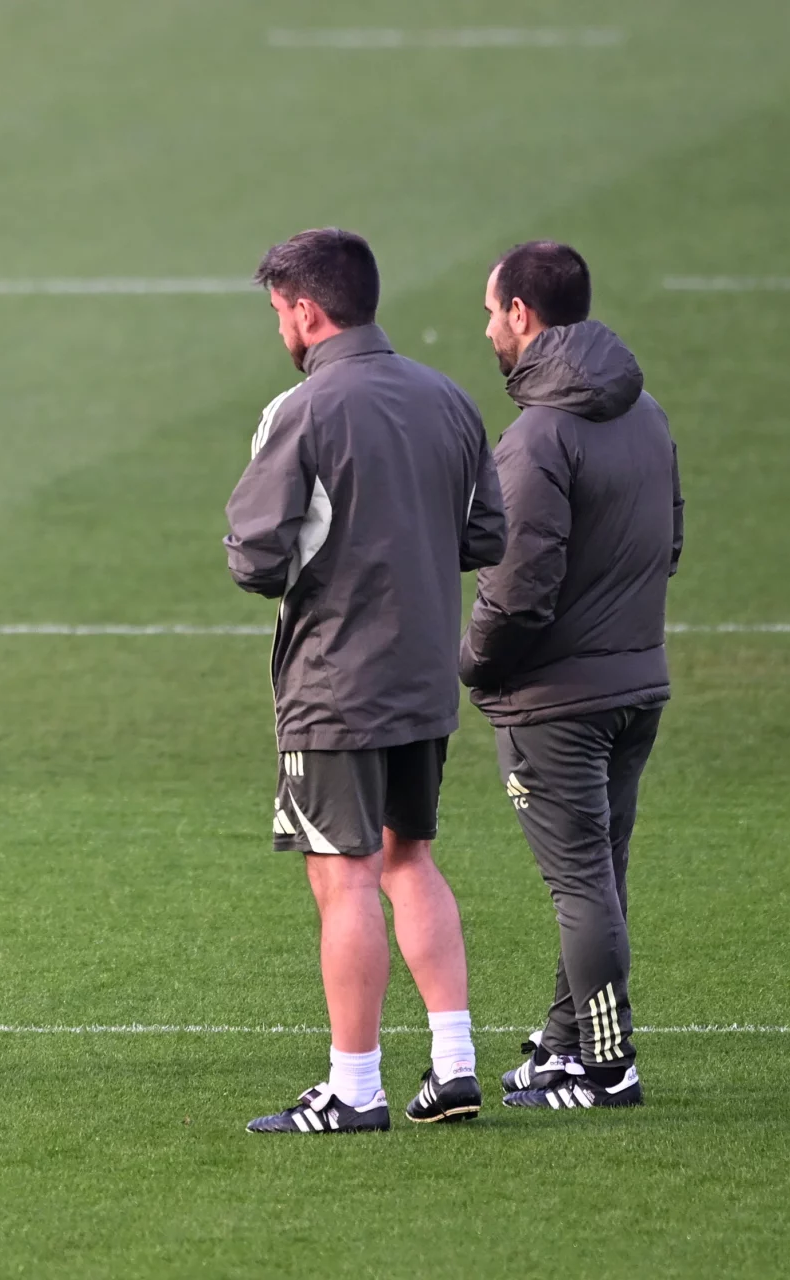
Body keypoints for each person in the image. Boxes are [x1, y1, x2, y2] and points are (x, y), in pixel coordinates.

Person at [226, 228, 505, 1134]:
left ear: (307, 310)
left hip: (335, 682)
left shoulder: (301, 410)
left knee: (342, 876)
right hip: (425, 672)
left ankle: (355, 1087)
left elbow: (256, 555)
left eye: (279, 312)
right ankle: (456, 1065)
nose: (280, 328)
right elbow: (486, 536)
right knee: (408, 857)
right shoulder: (451, 400)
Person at [462, 241, 683, 1110]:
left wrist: (475, 664)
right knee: (598, 873)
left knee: (580, 881)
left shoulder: (537, 437)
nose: (486, 328)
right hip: (637, 685)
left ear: (522, 313)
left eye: (490, 311)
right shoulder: (649, 412)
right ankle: (563, 1044)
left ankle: (605, 1063)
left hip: (558, 703)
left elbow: (518, 592)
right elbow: (670, 543)